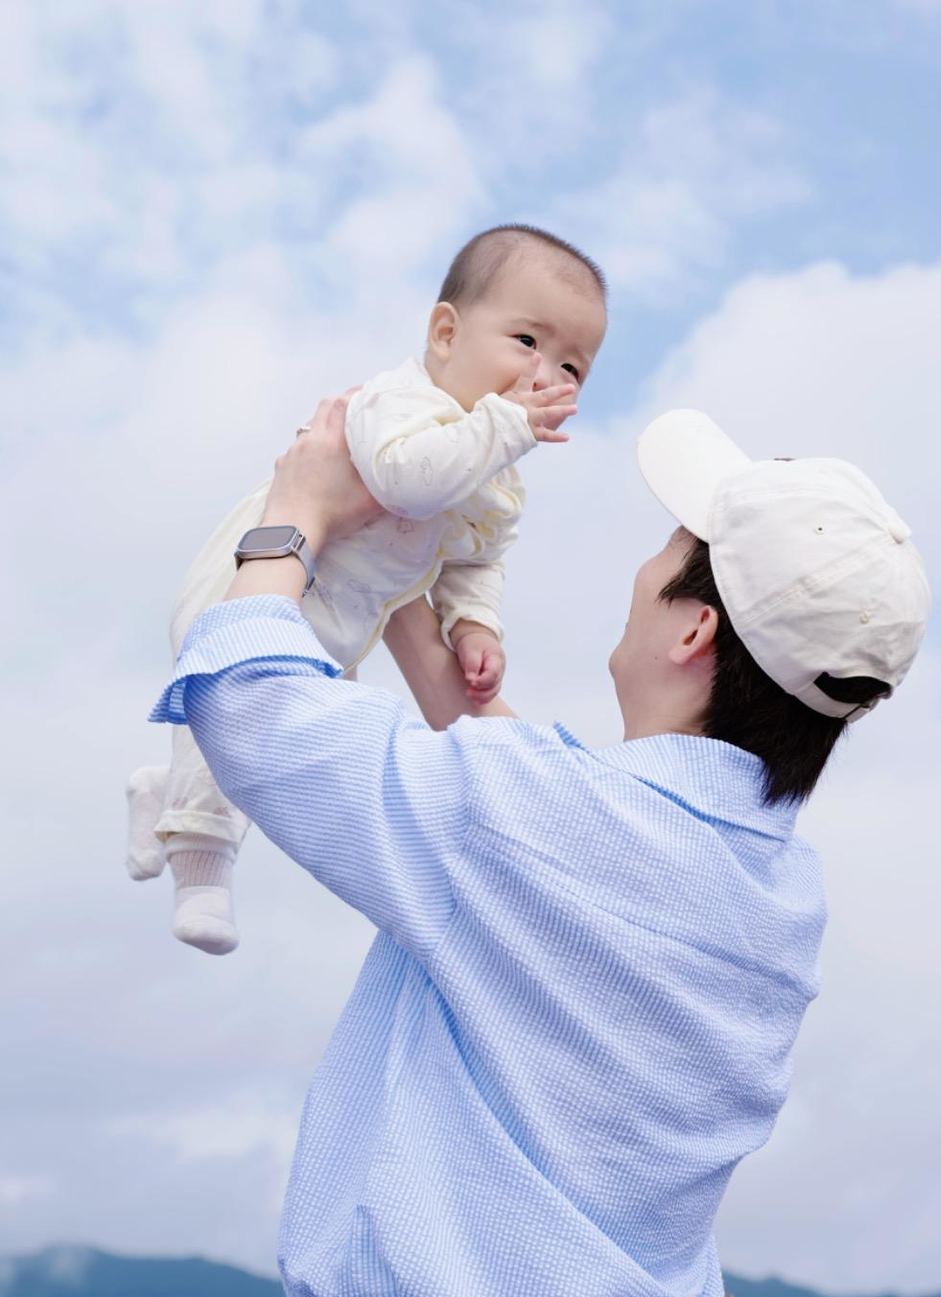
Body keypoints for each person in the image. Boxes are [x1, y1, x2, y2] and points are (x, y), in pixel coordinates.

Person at [149, 399, 930, 1297]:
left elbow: (252, 707)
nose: (645, 568)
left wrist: (296, 513)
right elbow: (539, 827)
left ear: (694, 628)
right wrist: (404, 580)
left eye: (671, 548)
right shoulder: (779, 897)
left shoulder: (543, 827)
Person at [126, 223, 607, 955]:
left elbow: (478, 556)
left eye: (572, 367)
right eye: (527, 342)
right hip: (257, 579)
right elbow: (407, 482)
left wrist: (475, 624)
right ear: (446, 333)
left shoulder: (497, 472)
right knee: (236, 698)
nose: (545, 375)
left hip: (341, 626)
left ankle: (161, 791)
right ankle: (201, 870)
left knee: (291, 751)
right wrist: (502, 427)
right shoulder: (401, 402)